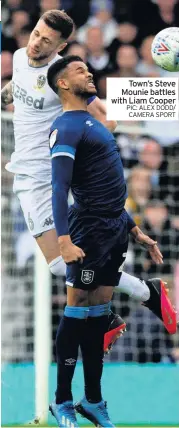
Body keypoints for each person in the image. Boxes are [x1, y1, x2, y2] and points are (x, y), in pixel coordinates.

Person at [1, 9, 176, 356]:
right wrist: (4, 96)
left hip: (48, 178)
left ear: (61, 46)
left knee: (59, 264)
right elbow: (16, 88)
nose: (36, 43)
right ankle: (126, 304)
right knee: (71, 263)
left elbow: (106, 118)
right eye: (36, 34)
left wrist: (86, 139)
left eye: (46, 41)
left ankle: (129, 302)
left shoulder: (63, 73)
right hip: (29, 177)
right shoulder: (20, 57)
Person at [47, 55, 177, 427]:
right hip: (86, 230)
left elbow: (108, 188)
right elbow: (60, 187)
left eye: (88, 67)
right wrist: (65, 239)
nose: (88, 72)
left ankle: (93, 399)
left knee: (99, 314)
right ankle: (62, 401)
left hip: (113, 229)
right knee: (78, 310)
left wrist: (134, 230)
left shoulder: (94, 122)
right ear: (64, 85)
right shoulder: (66, 128)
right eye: (78, 70)